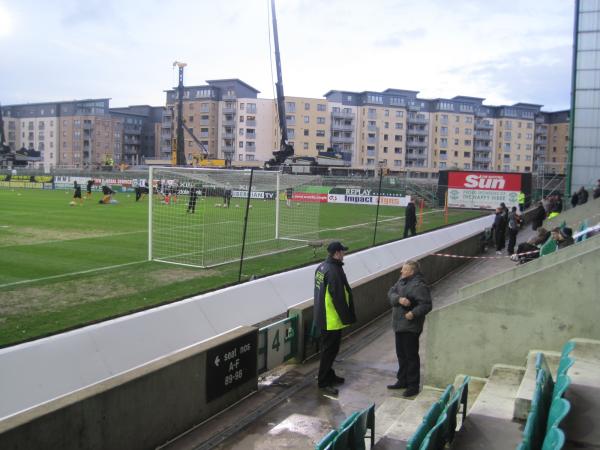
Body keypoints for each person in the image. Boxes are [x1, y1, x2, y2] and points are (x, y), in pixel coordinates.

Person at [313, 241, 356, 396]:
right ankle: (323, 381)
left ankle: (329, 375)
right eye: (342, 251)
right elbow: (338, 297)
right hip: (331, 319)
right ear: (337, 253)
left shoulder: (322, 267)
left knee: (329, 349)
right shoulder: (334, 271)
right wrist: (347, 318)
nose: (344, 254)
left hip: (323, 316)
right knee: (329, 351)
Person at [386, 260, 432, 397]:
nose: (401, 271)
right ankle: (402, 380)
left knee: (411, 356)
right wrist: (399, 299)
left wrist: (413, 313)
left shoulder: (419, 286)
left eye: (404, 269)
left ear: (412, 272)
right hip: (399, 325)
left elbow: (426, 305)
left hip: (410, 327)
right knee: (401, 354)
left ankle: (413, 385)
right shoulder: (402, 280)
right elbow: (390, 292)